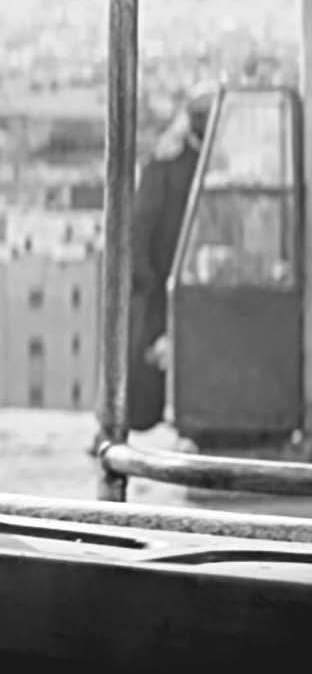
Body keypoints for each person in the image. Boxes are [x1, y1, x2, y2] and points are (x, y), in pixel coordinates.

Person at [126, 88, 215, 433]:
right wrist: (145, 279)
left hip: (187, 276)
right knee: (147, 357)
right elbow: (140, 228)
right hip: (160, 279)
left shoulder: (197, 162)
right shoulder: (166, 164)